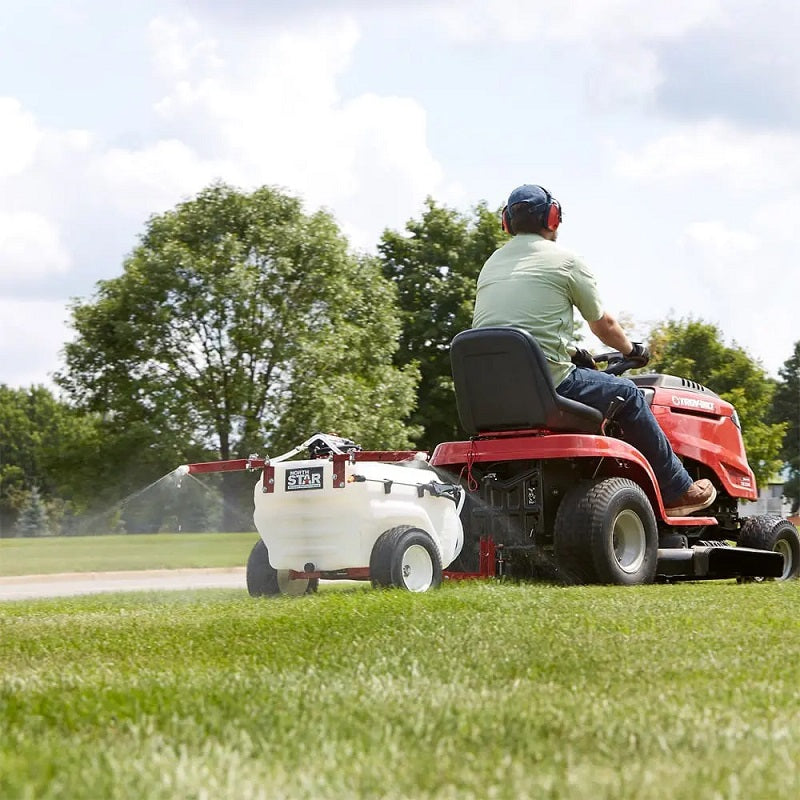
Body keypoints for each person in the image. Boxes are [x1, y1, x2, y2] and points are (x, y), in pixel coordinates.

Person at [472, 183, 716, 517]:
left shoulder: (490, 265)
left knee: (602, 388)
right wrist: (633, 349)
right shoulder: (566, 262)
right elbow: (604, 326)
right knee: (629, 394)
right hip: (550, 386)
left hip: (491, 396)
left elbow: (519, 329)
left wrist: (572, 352)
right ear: (552, 217)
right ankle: (678, 489)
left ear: (507, 222)